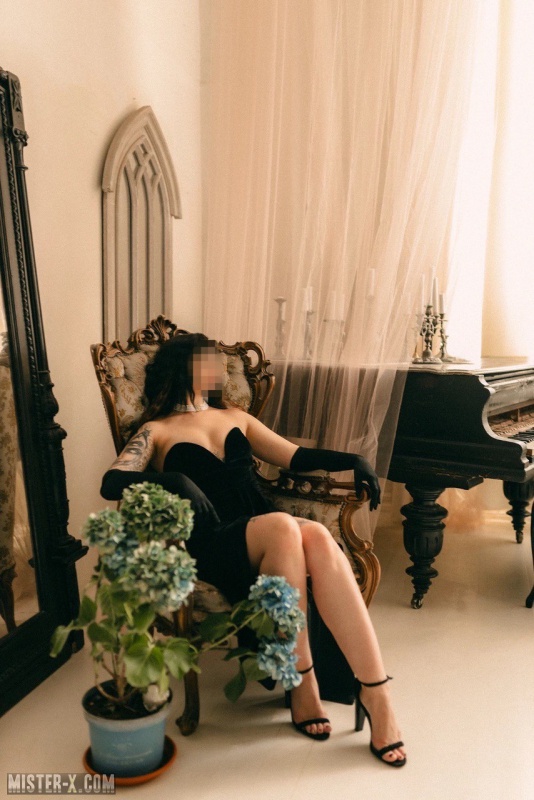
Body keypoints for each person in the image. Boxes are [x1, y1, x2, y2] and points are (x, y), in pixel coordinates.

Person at [101, 333, 406, 767]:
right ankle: (301, 681)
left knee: (318, 537)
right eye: (210, 360)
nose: (221, 369)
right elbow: (112, 482)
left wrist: (354, 460)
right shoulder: (157, 430)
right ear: (185, 365)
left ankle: (377, 693)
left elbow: (295, 457)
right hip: (211, 541)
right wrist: (176, 480)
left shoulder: (236, 417)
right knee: (284, 527)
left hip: (264, 532)